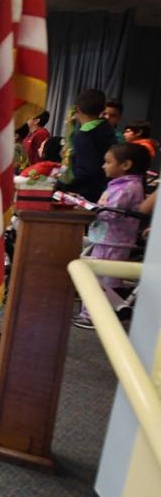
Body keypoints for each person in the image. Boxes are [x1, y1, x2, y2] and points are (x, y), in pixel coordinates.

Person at [73, 143, 150, 328]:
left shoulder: (127, 187)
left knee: (102, 278)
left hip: (114, 240)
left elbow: (111, 212)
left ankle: (95, 315)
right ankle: (94, 312)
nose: (103, 166)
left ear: (126, 165)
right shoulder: (124, 184)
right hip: (110, 238)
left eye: (108, 162)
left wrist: (88, 208)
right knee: (100, 276)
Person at [61, 89, 118, 202]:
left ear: (76, 109)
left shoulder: (85, 135)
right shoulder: (106, 128)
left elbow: (86, 170)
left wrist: (61, 184)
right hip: (101, 189)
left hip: (83, 193)